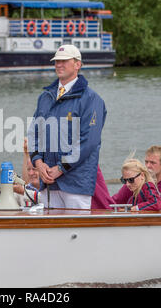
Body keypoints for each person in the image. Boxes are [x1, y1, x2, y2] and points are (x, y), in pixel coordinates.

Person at [28, 44, 106, 209]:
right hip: (48, 183)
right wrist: (39, 164)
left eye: (64, 61)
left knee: (78, 233)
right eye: (56, 61)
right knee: (49, 233)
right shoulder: (45, 97)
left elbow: (88, 142)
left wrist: (61, 168)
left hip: (76, 184)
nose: (58, 65)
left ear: (77, 64)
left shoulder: (91, 99)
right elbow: (34, 133)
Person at [111, 146, 161, 210]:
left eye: (152, 163)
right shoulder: (134, 180)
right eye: (146, 162)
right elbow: (112, 202)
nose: (148, 166)